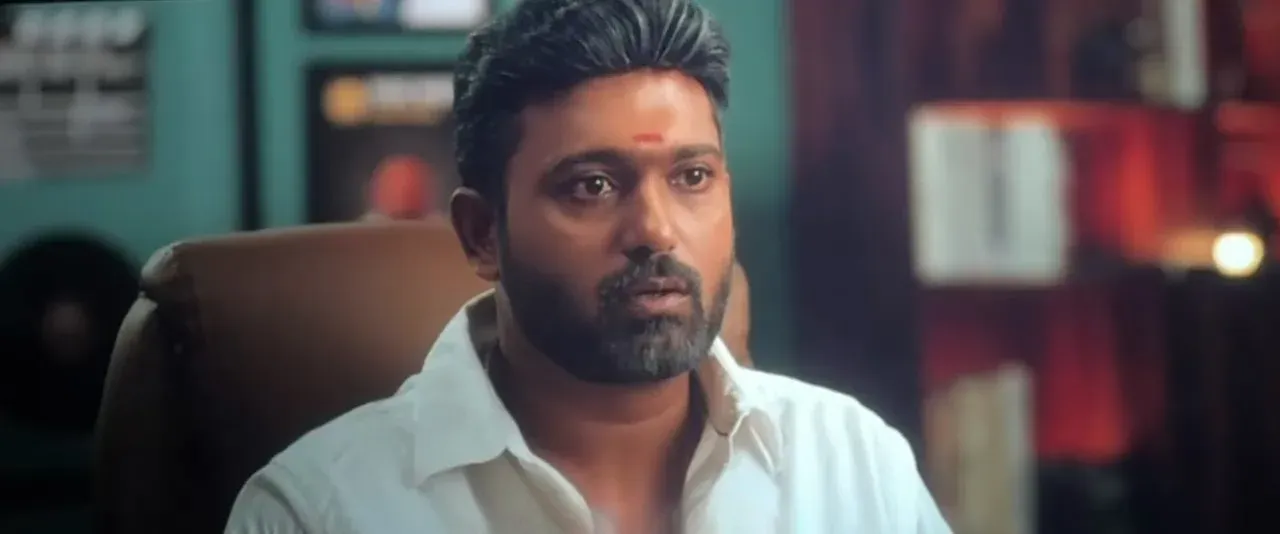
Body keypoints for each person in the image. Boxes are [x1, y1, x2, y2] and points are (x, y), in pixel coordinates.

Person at [225, 0, 951, 532]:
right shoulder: (319, 510)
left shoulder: (853, 467)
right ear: (482, 235)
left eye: (693, 177)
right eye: (593, 185)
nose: (656, 230)